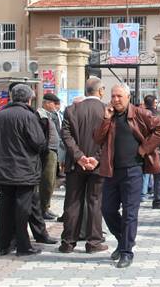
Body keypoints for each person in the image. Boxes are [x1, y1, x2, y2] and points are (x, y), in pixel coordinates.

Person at [94, 83, 160, 268]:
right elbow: (97, 139)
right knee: (107, 209)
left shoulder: (140, 113)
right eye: (113, 96)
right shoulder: (109, 116)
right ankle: (123, 240)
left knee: (129, 213)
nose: (115, 99)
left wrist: (144, 148)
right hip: (112, 170)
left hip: (133, 171)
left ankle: (127, 251)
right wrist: (105, 119)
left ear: (128, 97)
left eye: (119, 96)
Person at [0, 84, 47, 256]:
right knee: (23, 208)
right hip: (24, 170)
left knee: (4, 206)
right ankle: (23, 245)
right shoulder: (28, 116)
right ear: (29, 99)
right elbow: (38, 142)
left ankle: (3, 244)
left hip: (3, 169)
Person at [59, 77, 108, 254]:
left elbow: (66, 135)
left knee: (72, 202)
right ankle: (94, 242)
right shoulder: (106, 110)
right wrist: (95, 158)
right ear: (100, 90)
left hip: (75, 165)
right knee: (95, 202)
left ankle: (67, 242)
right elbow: (110, 139)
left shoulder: (71, 110)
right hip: (97, 165)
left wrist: (79, 157)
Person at [36, 93, 61, 220]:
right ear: (47, 103)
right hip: (47, 152)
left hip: (53, 151)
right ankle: (42, 208)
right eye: (54, 104)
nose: (56, 107)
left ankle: (45, 206)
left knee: (51, 180)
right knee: (47, 180)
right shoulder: (41, 115)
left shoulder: (50, 115)